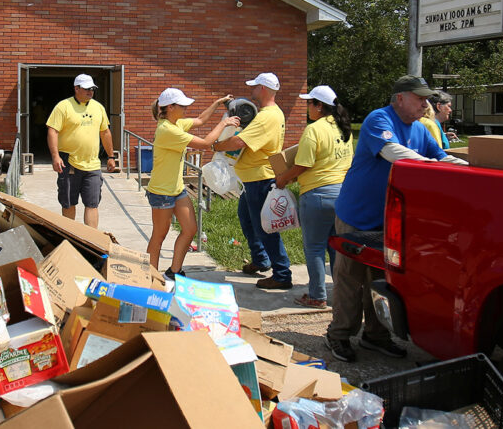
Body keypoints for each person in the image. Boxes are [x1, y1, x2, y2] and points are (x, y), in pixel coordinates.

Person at [326, 75, 468, 362]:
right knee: (350, 280)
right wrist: (431, 165)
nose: (426, 104)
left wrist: (477, 168)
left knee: (382, 281)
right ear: (400, 98)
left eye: (428, 99)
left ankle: (375, 336)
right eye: (420, 98)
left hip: (387, 220)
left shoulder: (418, 129)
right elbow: (394, 154)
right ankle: (338, 335)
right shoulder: (379, 119)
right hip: (356, 215)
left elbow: (441, 158)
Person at [147, 89, 238, 280]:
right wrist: (223, 123)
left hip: (176, 188)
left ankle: (174, 271)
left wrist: (218, 102)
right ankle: (150, 277)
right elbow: (205, 143)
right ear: (170, 108)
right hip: (161, 191)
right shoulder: (167, 130)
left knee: (190, 229)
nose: (186, 108)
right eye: (183, 105)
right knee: (159, 236)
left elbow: (200, 120)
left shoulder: (177, 123)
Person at [274, 85, 352, 309]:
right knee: (336, 245)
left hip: (317, 195)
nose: (307, 107)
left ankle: (317, 296)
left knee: (315, 247)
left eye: (309, 103)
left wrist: (283, 179)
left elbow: (302, 164)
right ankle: (341, 293)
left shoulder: (314, 129)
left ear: (319, 106)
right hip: (341, 194)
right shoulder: (344, 127)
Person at [212, 72, 290, 290]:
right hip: (252, 179)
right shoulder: (270, 113)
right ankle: (261, 259)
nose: (252, 90)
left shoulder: (267, 117)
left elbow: (238, 141)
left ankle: (282, 274)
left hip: (260, 179)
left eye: (255, 87)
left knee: (265, 227)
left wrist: (216, 145)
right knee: (246, 219)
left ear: (263, 89)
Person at [46, 74, 116, 228]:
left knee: (92, 203)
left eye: (92, 89)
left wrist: (111, 156)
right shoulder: (63, 106)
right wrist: (55, 156)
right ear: (76, 89)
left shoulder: (98, 107)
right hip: (69, 162)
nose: (90, 92)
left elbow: (105, 132)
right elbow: (53, 131)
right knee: (69, 202)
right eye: (86, 89)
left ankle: (91, 241)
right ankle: (70, 237)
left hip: (92, 164)